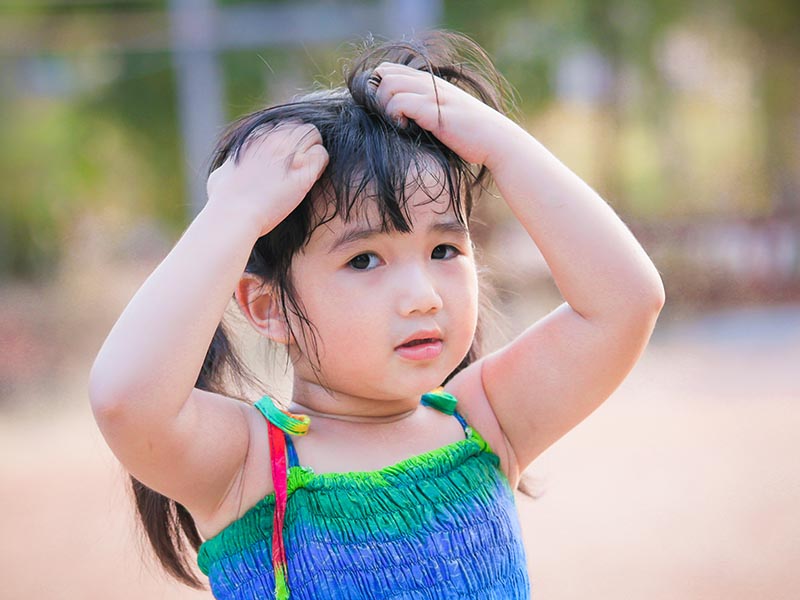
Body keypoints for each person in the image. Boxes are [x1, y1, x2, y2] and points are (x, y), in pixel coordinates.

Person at [89, 30, 664, 600]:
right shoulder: (247, 467)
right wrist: (233, 212)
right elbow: (125, 400)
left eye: (444, 250)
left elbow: (627, 301)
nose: (423, 296)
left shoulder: (486, 423)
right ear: (268, 307)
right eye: (364, 260)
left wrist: (502, 146)